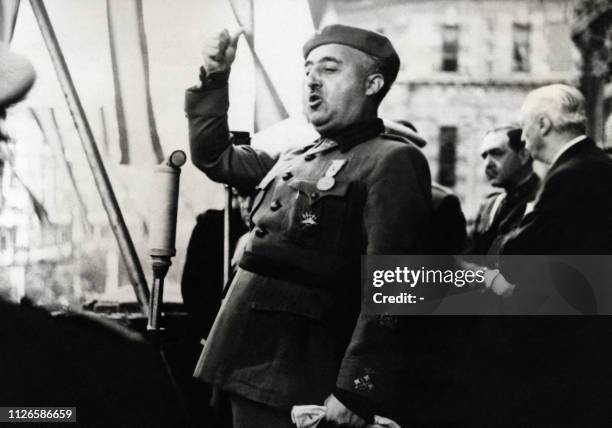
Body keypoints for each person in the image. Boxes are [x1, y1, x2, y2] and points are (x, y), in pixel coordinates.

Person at [186, 24, 434, 427]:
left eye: (330, 69)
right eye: (308, 70)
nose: (312, 81)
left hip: (296, 375)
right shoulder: (296, 157)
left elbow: (397, 285)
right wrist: (216, 74)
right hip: (238, 357)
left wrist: (356, 388)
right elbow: (215, 157)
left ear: (373, 84)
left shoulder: (391, 160)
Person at [468, 124, 539, 255]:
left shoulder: (543, 201)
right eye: (485, 156)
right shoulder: (489, 206)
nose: (488, 164)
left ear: (523, 155)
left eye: (497, 153)